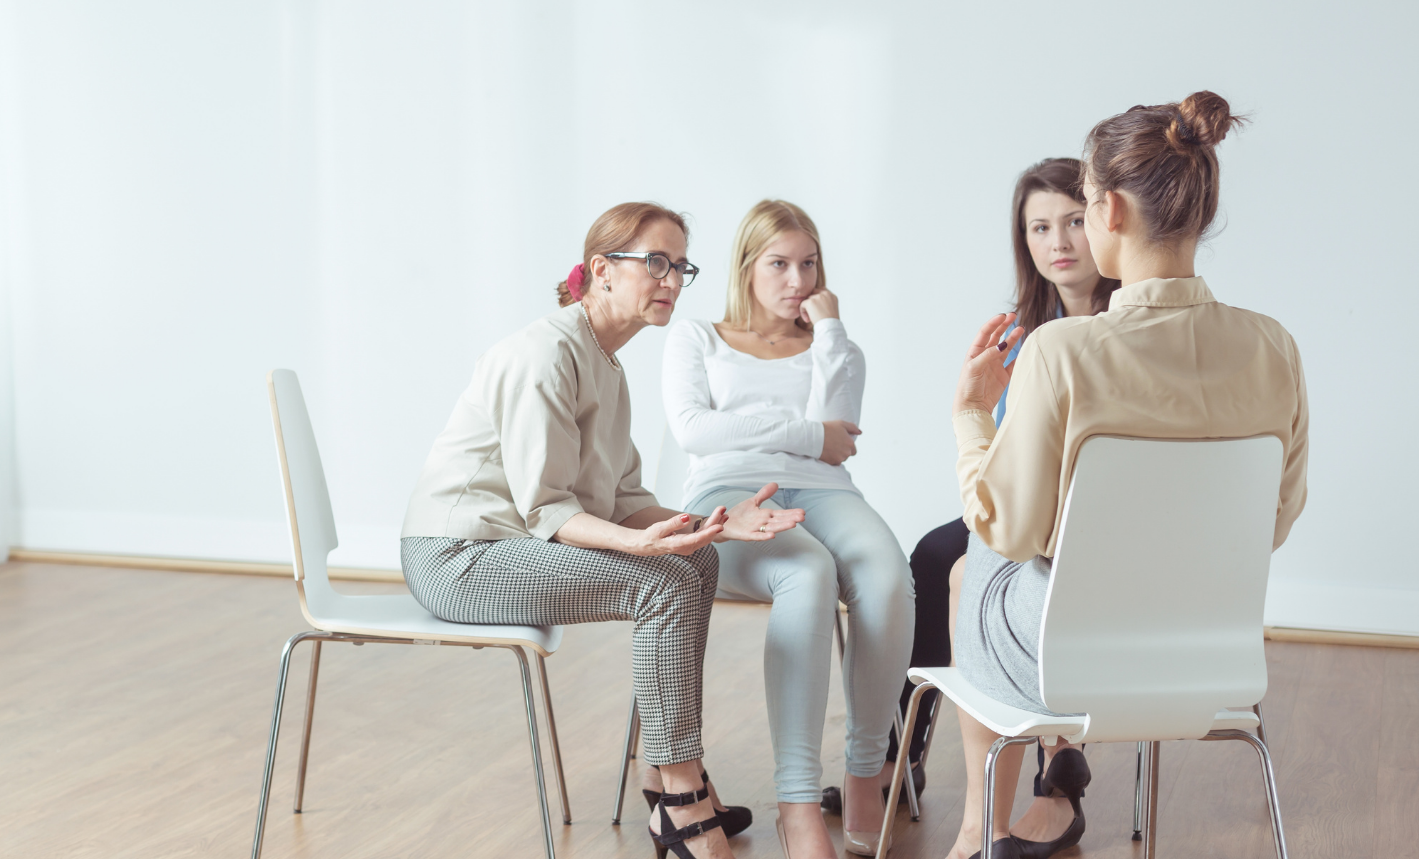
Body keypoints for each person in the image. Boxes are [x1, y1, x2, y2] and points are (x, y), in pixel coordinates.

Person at [943, 91, 1308, 859]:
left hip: (1065, 662)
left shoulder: (1061, 351)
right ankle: (1026, 804)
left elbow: (1008, 527)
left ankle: (981, 828)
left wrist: (973, 418)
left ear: (1105, 212)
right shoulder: (1275, 348)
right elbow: (1273, 521)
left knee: (975, 552)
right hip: (1211, 659)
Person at [400, 202, 808, 859]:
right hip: (460, 557)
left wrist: (714, 526)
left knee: (695, 565)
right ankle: (679, 797)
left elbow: (623, 498)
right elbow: (547, 511)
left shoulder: (607, 366)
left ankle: (661, 773)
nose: (671, 279)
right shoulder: (545, 354)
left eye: (680, 266)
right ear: (601, 271)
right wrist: (642, 545)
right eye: (655, 262)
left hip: (510, 546)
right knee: (664, 582)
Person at [656, 200, 914, 859]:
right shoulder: (697, 337)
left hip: (827, 492)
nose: (796, 280)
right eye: (778, 263)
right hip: (727, 494)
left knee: (887, 576)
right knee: (807, 571)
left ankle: (864, 775)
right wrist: (803, 434)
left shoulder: (836, 345)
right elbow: (695, 429)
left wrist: (830, 331)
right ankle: (797, 806)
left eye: (808, 264)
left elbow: (840, 442)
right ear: (746, 267)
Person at [890, 158, 1121, 851]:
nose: (1059, 242)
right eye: (1039, 227)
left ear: (1107, 222)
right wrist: (979, 405)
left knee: (971, 572)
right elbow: (1007, 471)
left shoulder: (1126, 328)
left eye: (1074, 222)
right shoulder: (1017, 331)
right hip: (1027, 503)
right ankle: (902, 758)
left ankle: (1037, 785)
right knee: (931, 556)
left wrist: (970, 415)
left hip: (1086, 518)